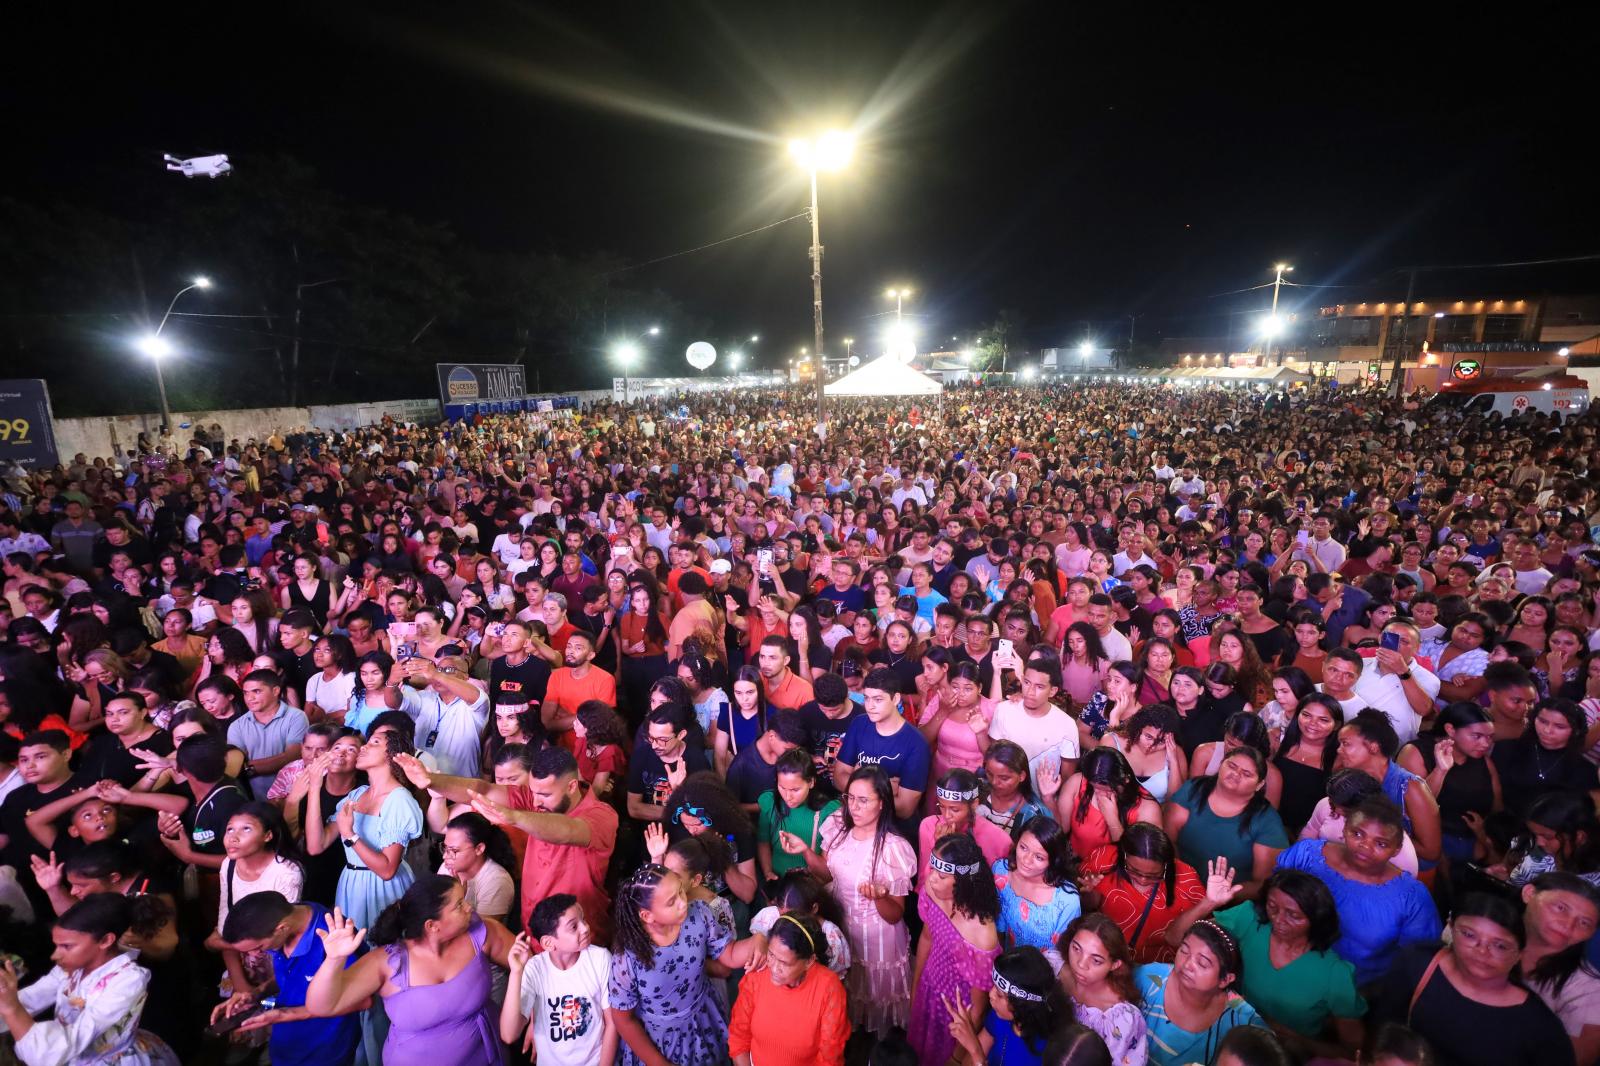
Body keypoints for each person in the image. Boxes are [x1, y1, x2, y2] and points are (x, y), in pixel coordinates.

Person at [398, 745, 619, 942]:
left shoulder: (601, 815)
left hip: (577, 939)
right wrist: (432, 780)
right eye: (533, 792)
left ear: (572, 786)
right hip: (533, 934)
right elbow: (481, 789)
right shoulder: (535, 799)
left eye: (544, 794)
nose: (535, 801)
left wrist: (514, 817)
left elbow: (567, 830)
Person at [305, 874, 519, 1066]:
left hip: (483, 1056)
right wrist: (334, 959)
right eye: (459, 905)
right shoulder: (388, 962)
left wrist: (536, 1016)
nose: (469, 908)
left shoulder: (480, 932)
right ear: (432, 926)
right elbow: (321, 1006)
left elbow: (532, 968)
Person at [1368, 892, 1574, 1066]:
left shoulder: (1539, 1026)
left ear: (1518, 954)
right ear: (1451, 928)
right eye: (1469, 935)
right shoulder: (1416, 964)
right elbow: (1384, 1030)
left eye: (1500, 945)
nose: (1482, 951)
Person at [606, 862, 769, 1066]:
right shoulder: (627, 956)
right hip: (657, 1042)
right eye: (671, 901)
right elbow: (623, 1019)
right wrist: (658, 1063)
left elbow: (729, 954)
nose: (683, 902)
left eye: (681, 892)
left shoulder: (699, 915)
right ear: (647, 916)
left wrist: (758, 940)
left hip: (703, 1022)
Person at [1274, 796, 1441, 985]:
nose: (1365, 846)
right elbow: (1271, 899)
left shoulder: (1411, 898)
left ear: (1396, 850)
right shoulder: (1305, 855)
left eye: (1381, 843)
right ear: (1344, 830)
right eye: (1358, 834)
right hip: (1282, 969)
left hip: (1356, 994)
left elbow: (1414, 962)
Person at [0, 893, 179, 1066]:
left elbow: (74, 1039)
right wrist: (6, 995)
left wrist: (12, 1008)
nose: (55, 955)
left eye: (67, 946)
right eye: (57, 946)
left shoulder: (129, 979)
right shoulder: (69, 966)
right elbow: (34, 996)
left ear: (105, 940)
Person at [1211, 869, 1364, 1059]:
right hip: (1234, 1036)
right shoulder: (1251, 920)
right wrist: (1209, 902)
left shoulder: (1335, 974)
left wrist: (1292, 1039)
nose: (1278, 920)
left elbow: (1352, 1052)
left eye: (1293, 915)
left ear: (1316, 918)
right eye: (1272, 907)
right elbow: (1177, 938)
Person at [820, 765, 918, 1037]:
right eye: (850, 798)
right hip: (842, 931)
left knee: (877, 1002)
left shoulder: (893, 848)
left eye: (863, 800)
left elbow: (895, 914)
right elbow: (829, 873)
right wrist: (805, 852)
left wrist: (881, 896)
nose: (854, 807)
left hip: (878, 940)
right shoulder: (840, 828)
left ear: (882, 803)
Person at [215, 891, 365, 1066]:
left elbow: (362, 1001)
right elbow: (291, 978)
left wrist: (285, 1015)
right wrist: (256, 994)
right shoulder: (281, 922)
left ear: (282, 928)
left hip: (324, 1051)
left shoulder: (337, 941)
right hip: (286, 1045)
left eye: (258, 947)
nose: (255, 954)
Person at [304, 725, 424, 930]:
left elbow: (387, 870)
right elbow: (316, 845)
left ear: (392, 755)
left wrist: (350, 835)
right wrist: (314, 788)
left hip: (383, 888)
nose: (364, 748)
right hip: (351, 883)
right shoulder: (357, 794)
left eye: (374, 743)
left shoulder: (399, 800)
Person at [908, 833, 1003, 1065]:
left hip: (954, 1014)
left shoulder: (982, 936)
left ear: (963, 881)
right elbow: (927, 939)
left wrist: (957, 1057)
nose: (931, 880)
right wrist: (915, 989)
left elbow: (978, 1010)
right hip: (928, 990)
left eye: (941, 875)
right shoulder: (933, 892)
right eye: (932, 870)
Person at [501, 894, 618, 1066]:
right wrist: (516, 972)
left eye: (583, 920)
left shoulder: (600, 959)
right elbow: (508, 1034)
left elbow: (612, 1023)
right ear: (548, 943)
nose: (585, 928)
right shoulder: (535, 969)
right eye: (573, 927)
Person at [727, 909, 851, 1066]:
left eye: (784, 963)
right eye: (771, 955)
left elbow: (829, 1057)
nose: (773, 968)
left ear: (809, 961)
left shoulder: (829, 989)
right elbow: (739, 1038)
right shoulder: (756, 977)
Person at [1134, 921, 1267, 1066]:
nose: (1187, 965)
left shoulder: (1242, 1021)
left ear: (1225, 979)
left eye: (1202, 963)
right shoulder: (1149, 979)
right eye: (1184, 951)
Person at [1164, 746, 1287, 899]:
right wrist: (1180, 881)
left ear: (1259, 785)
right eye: (1231, 766)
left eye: (1246, 774)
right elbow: (1168, 841)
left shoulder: (1267, 821)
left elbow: (1263, 883)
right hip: (1176, 886)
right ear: (1221, 764)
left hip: (1228, 904)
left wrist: (1220, 896)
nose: (1236, 774)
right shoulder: (1193, 789)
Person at [1079, 823, 1209, 965]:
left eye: (1153, 875)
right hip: (1104, 958)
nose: (1143, 880)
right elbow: (1088, 907)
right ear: (1123, 857)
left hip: (1156, 968)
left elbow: (1192, 935)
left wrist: (1209, 903)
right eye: (1134, 871)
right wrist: (1089, 894)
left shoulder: (1187, 880)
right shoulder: (1103, 860)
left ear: (1166, 866)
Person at [1519, 872, 1600, 1065]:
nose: (1568, 925)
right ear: (1529, 893)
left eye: (1584, 922)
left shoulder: (1588, 993)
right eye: (1561, 908)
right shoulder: (1485, 939)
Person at [944, 945, 1072, 1066]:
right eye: (994, 986)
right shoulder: (1000, 1016)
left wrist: (975, 1051)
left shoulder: (1042, 1054)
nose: (991, 994)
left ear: (1023, 1005)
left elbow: (975, 1053)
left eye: (999, 995)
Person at [831, 668, 930, 822]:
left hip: (892, 826)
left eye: (878, 699)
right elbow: (838, 778)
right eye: (866, 698)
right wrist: (883, 789)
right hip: (856, 818)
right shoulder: (859, 723)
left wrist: (856, 777)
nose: (869, 706)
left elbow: (905, 809)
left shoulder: (916, 744)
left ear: (896, 699)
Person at [1058, 913, 1150, 1066]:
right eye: (1076, 948)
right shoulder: (1053, 967)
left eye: (1096, 960)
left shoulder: (1123, 1020)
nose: (1081, 964)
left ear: (1115, 965)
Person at [994, 815, 1083, 950]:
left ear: (1053, 861)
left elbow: (1062, 953)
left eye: (1039, 857)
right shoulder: (1001, 870)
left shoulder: (1067, 901)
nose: (1026, 860)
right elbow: (996, 922)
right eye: (1023, 848)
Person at [1058, 748, 1163, 856]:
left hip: (1116, 870)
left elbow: (1137, 860)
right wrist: (1048, 798)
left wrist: (1112, 820)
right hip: (1079, 864)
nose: (1099, 793)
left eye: (1107, 790)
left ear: (1125, 780)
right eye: (1094, 787)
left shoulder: (1147, 809)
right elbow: (1061, 829)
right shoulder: (1077, 783)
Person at [757, 747, 841, 882]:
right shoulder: (771, 803)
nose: (787, 796)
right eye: (782, 787)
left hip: (809, 891)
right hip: (777, 883)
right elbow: (763, 842)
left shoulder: (829, 813)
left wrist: (805, 851)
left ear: (811, 782)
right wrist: (768, 872)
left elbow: (828, 875)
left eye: (795, 789)